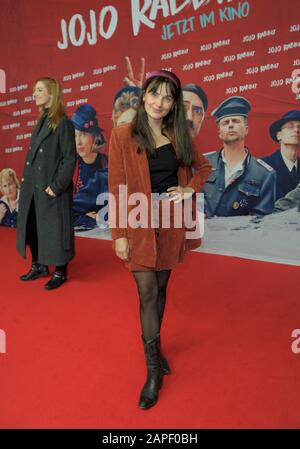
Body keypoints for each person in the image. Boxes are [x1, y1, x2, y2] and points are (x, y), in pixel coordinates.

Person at [108, 70, 211, 409]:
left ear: (173, 105)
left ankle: (157, 347)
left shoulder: (178, 134)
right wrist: (118, 234)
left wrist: (188, 189)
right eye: (155, 94)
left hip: (170, 221)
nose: (159, 102)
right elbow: (117, 186)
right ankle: (154, 372)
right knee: (147, 290)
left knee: (163, 286)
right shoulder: (123, 135)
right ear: (144, 95)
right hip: (137, 223)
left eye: (167, 98)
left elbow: (203, 167)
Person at [16, 77, 76, 290]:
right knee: (33, 226)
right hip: (34, 188)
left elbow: (69, 158)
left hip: (51, 189)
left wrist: (57, 186)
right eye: (34, 90)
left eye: (39, 90)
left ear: (52, 93)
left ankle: (61, 271)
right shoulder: (41, 121)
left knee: (56, 229)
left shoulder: (64, 123)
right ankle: (39, 264)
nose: (34, 94)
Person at [203, 96, 276, 217]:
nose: (230, 125)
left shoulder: (265, 175)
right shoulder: (201, 164)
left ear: (246, 129)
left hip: (240, 235)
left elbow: (261, 224)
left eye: (236, 121)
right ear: (219, 132)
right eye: (225, 123)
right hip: (204, 234)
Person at [123, 56, 208, 139]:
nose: (189, 117)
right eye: (183, 107)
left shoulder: (193, 152)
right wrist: (136, 94)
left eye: (197, 111)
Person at [71, 104, 108, 230]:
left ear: (94, 136)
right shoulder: (69, 170)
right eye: (75, 135)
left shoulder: (109, 165)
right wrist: (86, 218)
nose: (78, 141)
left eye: (84, 134)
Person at [262, 110, 300, 200]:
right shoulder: (262, 166)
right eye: (290, 126)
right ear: (279, 135)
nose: (296, 130)